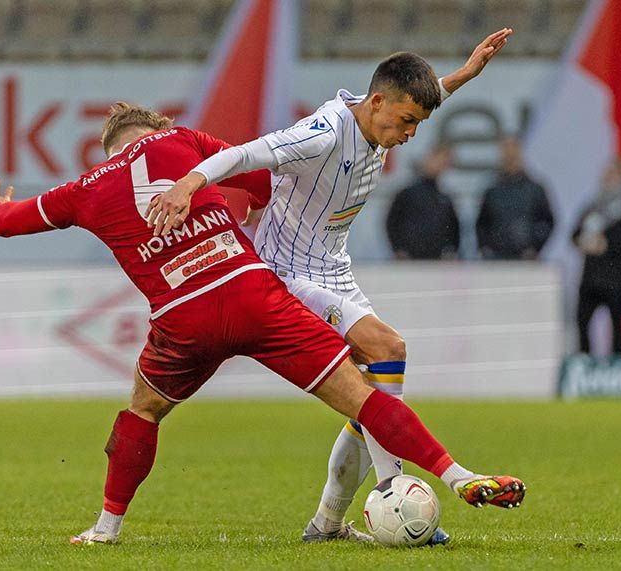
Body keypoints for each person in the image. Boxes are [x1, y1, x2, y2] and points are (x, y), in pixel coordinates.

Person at [0, 103, 525, 545]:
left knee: (143, 410)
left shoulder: (85, 189)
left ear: (108, 148)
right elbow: (253, 175)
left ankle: (106, 529)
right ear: (153, 130)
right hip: (252, 293)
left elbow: (7, 224)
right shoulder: (180, 140)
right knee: (362, 394)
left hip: (183, 320)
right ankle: (457, 475)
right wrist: (244, 217)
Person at [144, 29, 518, 543]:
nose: (410, 134)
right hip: (286, 273)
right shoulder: (323, 133)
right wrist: (188, 184)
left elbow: (418, 99)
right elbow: (244, 155)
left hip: (335, 271)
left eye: (418, 124)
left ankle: (327, 524)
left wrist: (463, 74)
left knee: (375, 396)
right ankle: (395, 490)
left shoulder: (382, 118)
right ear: (378, 102)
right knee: (388, 349)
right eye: (407, 121)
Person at [572, 158, 621, 355]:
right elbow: (574, 234)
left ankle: (616, 367)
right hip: (592, 278)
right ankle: (585, 364)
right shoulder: (593, 208)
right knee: (582, 321)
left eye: (612, 174)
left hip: (618, 280)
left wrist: (605, 244)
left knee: (617, 326)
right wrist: (583, 241)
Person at [476, 136, 554, 260]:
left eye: (513, 154)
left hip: (525, 258)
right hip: (498, 259)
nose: (510, 159)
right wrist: (487, 248)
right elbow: (482, 224)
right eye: (507, 155)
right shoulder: (492, 191)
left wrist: (535, 246)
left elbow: (548, 222)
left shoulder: (534, 189)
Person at [386, 143, 460, 259]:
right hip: (410, 259)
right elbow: (392, 222)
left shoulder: (444, 197)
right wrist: (398, 249)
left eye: (445, 163)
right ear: (429, 158)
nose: (440, 166)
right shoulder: (407, 194)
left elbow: (454, 228)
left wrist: (450, 251)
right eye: (438, 160)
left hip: (436, 260)